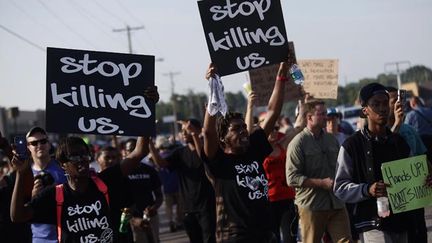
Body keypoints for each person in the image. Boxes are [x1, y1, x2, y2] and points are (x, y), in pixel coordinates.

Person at [333, 83, 432, 242]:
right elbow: (339, 188)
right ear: (365, 110)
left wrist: (424, 181)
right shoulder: (352, 145)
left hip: (401, 222)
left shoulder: (400, 142)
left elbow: (414, 177)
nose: (383, 108)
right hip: (372, 225)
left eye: (385, 103)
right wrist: (367, 190)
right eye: (376, 104)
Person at [201, 62, 286, 242]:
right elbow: (208, 133)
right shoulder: (219, 162)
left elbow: (273, 111)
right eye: (236, 129)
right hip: (235, 237)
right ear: (223, 137)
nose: (243, 131)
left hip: (265, 233)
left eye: (244, 127)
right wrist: (212, 92)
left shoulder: (253, 149)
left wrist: (281, 75)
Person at [286, 100, 352, 243]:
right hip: (312, 205)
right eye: (321, 114)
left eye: (325, 113)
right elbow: (291, 178)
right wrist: (321, 183)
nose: (326, 117)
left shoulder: (331, 140)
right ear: (309, 117)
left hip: (336, 202)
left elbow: (340, 167)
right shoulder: (298, 143)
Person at [149, 119, 216, 243]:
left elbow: (203, 156)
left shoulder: (208, 149)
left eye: (187, 130)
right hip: (188, 208)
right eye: (182, 131)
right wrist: (150, 144)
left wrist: (195, 134)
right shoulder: (179, 153)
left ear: (198, 130)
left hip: (207, 207)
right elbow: (161, 163)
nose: (184, 133)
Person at [386, 86, 429, 243]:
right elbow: (385, 151)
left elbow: (422, 157)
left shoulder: (409, 129)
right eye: (392, 101)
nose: (397, 103)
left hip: (415, 196)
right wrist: (396, 124)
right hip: (396, 199)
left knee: (419, 234)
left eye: (399, 99)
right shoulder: (380, 132)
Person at [26, 126, 67, 243]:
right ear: (28, 147)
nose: (39, 145)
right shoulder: (24, 174)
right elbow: (19, 209)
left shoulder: (63, 167)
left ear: (49, 144)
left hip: (65, 234)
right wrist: (33, 197)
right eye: (34, 143)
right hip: (39, 238)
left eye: (43, 141)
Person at [124, 138, 163, 243]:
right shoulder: (120, 173)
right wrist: (130, 219)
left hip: (150, 216)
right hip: (129, 219)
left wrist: (154, 208)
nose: (134, 152)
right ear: (124, 152)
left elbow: (159, 195)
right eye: (130, 150)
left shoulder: (149, 170)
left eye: (135, 149)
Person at [404, 96, 432, 160]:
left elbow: (406, 128)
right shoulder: (430, 111)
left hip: (420, 140)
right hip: (431, 137)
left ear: (413, 103)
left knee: (425, 159)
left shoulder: (410, 114)